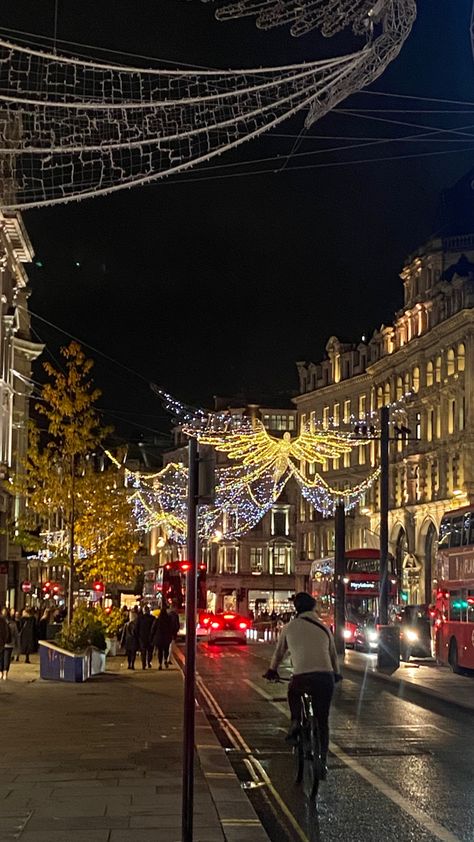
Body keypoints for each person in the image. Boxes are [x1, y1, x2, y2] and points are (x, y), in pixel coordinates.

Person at [263, 592, 342, 779]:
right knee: (322, 721)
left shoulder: (289, 627)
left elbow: (279, 653)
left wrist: (272, 670)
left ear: (296, 608)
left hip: (302, 677)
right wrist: (336, 674)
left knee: (293, 691)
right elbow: (333, 655)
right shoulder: (324, 628)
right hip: (325, 678)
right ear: (314, 607)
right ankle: (322, 761)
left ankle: (296, 721)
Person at [151, 606, 173, 670]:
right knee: (166, 650)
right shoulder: (168, 620)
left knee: (160, 651)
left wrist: (152, 636)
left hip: (159, 638)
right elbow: (171, 628)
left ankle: (160, 663)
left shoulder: (157, 620)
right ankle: (165, 659)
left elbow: (153, 629)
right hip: (166, 637)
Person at [1, 608, 18, 679]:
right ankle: (5, 673)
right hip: (9, 643)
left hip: (1, 643)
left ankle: (0, 672)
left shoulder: (1, 622)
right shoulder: (13, 623)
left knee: (1, 658)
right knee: (7, 658)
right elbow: (16, 634)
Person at [136, 605, 154, 669]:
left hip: (142, 637)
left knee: (143, 651)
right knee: (150, 651)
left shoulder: (140, 618)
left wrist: (137, 636)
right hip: (150, 637)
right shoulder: (152, 618)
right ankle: (148, 662)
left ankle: (143, 664)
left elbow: (136, 628)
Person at [0, 609, 11, 680]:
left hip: (2, 643)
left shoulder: (2, 621)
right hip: (2, 643)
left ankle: (2, 671)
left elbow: (6, 632)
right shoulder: (3, 620)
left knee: (3, 658)